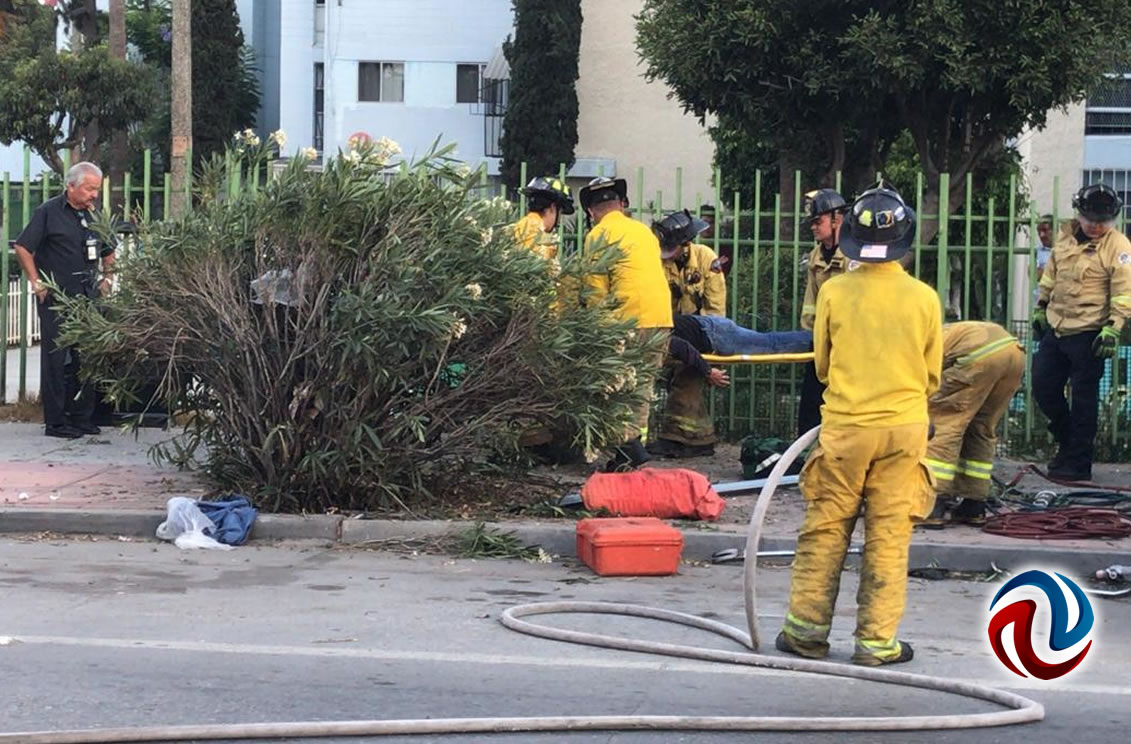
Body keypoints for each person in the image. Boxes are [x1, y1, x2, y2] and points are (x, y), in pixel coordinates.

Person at [777, 185, 942, 667]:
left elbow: (823, 365)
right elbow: (931, 374)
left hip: (847, 430)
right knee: (889, 536)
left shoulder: (834, 291)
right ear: (904, 240)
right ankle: (877, 644)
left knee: (826, 530)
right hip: (904, 430)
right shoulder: (925, 299)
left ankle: (806, 636)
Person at [1031, 183, 1131, 481]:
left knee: (1084, 401)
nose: (1097, 226)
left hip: (1090, 333)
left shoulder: (1119, 247)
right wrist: (1040, 306)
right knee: (1043, 384)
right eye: (1091, 220)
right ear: (1080, 214)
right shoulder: (1064, 240)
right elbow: (1050, 276)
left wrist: (1114, 328)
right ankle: (1066, 440)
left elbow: (1124, 291)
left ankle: (1077, 464)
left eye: (1104, 221)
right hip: (1058, 327)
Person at [578, 176, 673, 471]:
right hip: (661, 320)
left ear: (592, 212)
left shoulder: (597, 235)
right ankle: (631, 453)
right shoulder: (644, 232)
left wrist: (596, 333)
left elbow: (595, 292)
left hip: (626, 322)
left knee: (616, 387)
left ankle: (631, 453)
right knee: (641, 388)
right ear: (621, 204)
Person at [13, 162, 114, 439]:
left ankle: (82, 417)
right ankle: (56, 422)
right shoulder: (48, 212)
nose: (94, 194)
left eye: (97, 189)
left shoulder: (95, 214)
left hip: (88, 297)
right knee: (56, 359)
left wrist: (108, 278)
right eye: (89, 188)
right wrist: (36, 282)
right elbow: (22, 246)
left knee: (88, 357)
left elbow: (109, 249)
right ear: (71, 186)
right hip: (57, 297)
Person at [924, 322, 1025, 524]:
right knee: (980, 427)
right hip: (1014, 354)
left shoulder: (906, 349)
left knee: (944, 422)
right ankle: (974, 505)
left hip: (978, 355)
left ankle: (933, 502)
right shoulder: (937, 331)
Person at [649, 209, 727, 458]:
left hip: (703, 330)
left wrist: (708, 343)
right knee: (685, 374)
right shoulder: (661, 263)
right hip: (671, 329)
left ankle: (675, 438)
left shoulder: (706, 259)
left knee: (687, 375)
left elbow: (716, 305)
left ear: (686, 244)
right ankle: (699, 440)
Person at [796, 188, 851, 438]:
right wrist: (811, 335)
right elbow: (811, 301)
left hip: (850, 344)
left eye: (818, 221)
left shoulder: (854, 255)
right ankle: (806, 449)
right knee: (810, 402)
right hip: (821, 342)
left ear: (836, 219)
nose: (813, 228)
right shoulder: (816, 256)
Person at [511, 176, 575, 261]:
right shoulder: (533, 229)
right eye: (560, 213)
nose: (559, 220)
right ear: (553, 207)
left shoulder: (526, 225)